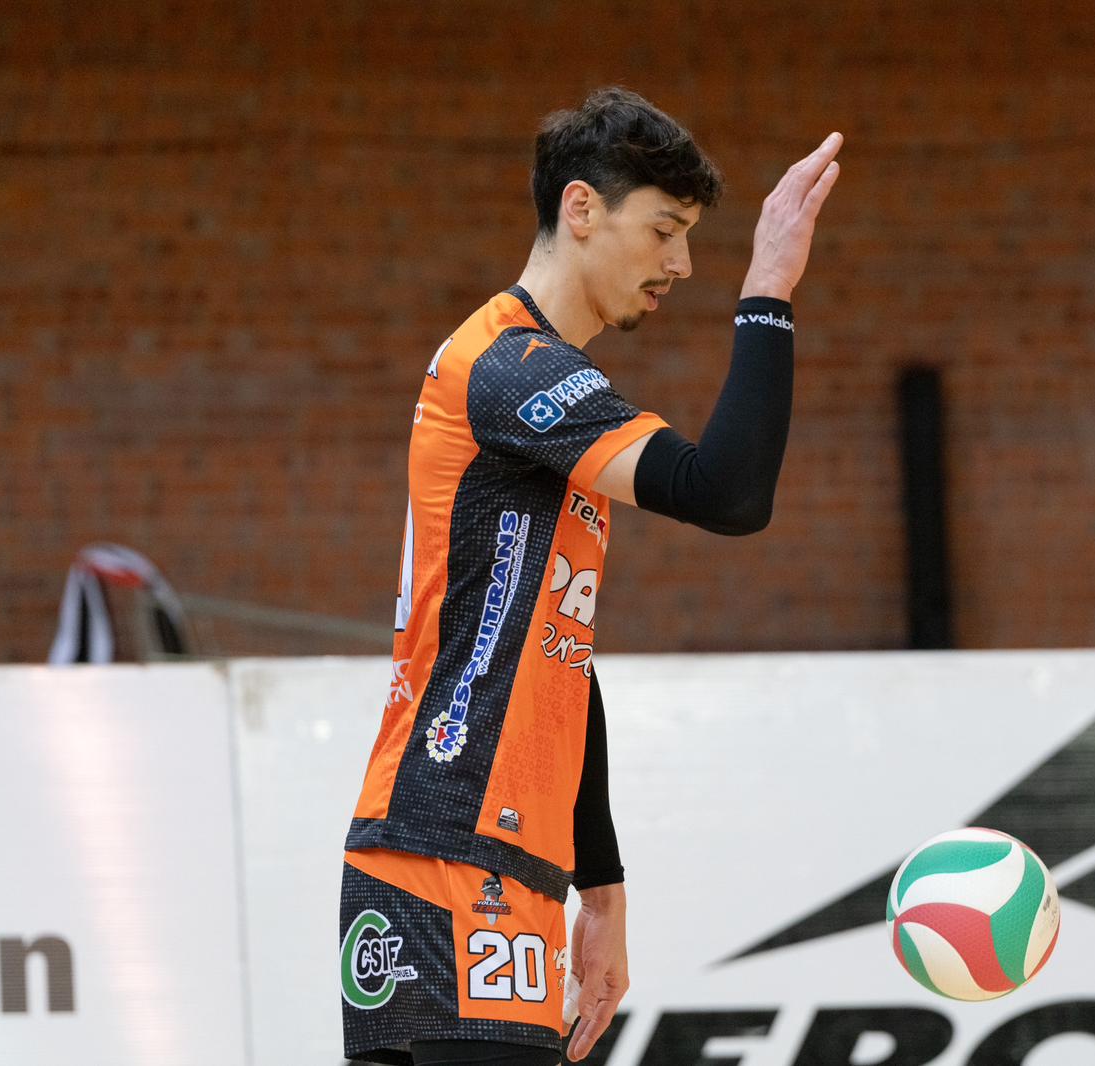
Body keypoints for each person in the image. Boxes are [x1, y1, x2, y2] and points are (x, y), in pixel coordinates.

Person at [339, 86, 842, 1066]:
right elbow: (727, 492)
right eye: (663, 230)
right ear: (580, 210)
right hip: (446, 852)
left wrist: (599, 890)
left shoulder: (540, 386)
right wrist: (770, 286)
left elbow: (559, 655)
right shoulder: (512, 368)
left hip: (494, 861)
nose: (681, 265)